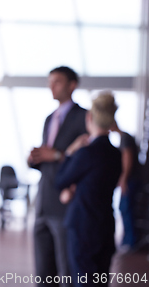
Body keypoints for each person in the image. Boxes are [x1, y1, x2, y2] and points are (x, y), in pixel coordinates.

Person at [28, 66, 87, 287]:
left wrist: (56, 155)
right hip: (43, 200)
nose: (51, 86)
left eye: (58, 82)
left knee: (66, 270)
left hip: (65, 203)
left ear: (72, 85)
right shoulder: (49, 118)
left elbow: (86, 159)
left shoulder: (84, 117)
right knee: (43, 272)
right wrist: (37, 158)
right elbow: (51, 159)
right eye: (50, 81)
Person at [56, 92, 122, 287]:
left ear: (89, 118)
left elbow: (60, 180)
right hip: (106, 226)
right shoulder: (115, 154)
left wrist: (69, 152)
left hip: (83, 227)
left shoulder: (86, 153)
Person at [111, 121, 142, 251]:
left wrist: (123, 179)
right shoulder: (125, 137)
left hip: (131, 180)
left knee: (125, 208)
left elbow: (127, 159)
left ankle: (130, 241)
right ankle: (127, 240)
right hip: (131, 179)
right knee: (125, 208)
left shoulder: (125, 138)